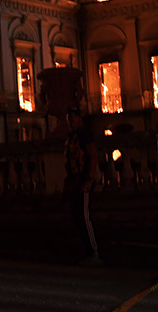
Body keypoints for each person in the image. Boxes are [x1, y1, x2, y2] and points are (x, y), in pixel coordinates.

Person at [64, 107, 100, 262]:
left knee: (84, 218)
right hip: (74, 182)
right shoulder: (71, 136)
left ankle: (94, 252)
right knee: (77, 217)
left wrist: (89, 179)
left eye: (73, 117)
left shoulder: (84, 135)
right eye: (69, 118)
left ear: (79, 118)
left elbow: (92, 157)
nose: (71, 120)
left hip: (83, 181)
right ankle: (88, 251)